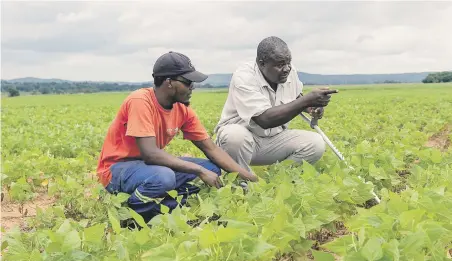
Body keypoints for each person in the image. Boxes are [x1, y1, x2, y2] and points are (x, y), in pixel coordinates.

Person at [96, 51, 258, 223]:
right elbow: (150, 154)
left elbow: (211, 149)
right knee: (165, 177)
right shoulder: (140, 101)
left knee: (212, 169)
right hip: (116, 170)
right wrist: (198, 170)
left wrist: (250, 177)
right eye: (188, 82)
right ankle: (133, 213)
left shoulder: (182, 110)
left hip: (147, 169)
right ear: (169, 83)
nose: (192, 87)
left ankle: (165, 208)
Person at [214, 36, 338, 172]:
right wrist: (306, 100)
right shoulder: (244, 77)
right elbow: (264, 120)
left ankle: (276, 179)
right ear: (262, 64)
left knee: (315, 144)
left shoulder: (289, 71)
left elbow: (296, 96)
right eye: (280, 65)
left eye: (288, 63)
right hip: (241, 142)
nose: (286, 69)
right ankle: (240, 182)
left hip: (273, 141)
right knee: (235, 137)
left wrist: (311, 107)